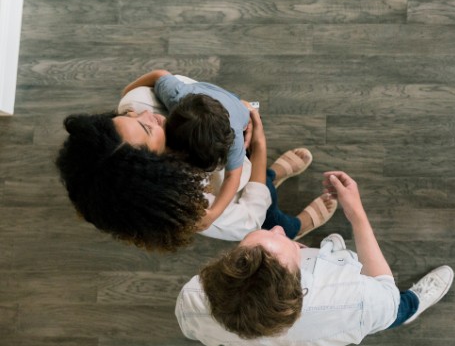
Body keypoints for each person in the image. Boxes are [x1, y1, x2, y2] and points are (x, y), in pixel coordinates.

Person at [175, 171, 454, 346]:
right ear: (301, 283)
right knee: (395, 311)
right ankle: (415, 305)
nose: (278, 230)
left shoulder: (191, 300)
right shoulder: (353, 301)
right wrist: (356, 213)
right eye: (291, 245)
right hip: (373, 308)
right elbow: (386, 294)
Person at [56, 79, 333, 251]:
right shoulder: (192, 205)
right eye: (146, 126)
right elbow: (251, 218)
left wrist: (240, 111)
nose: (147, 114)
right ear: (155, 169)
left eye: (125, 116)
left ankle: (270, 174)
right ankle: (295, 226)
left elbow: (195, 91)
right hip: (245, 192)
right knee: (268, 208)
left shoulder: (141, 102)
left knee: (264, 179)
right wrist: (260, 144)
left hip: (241, 158)